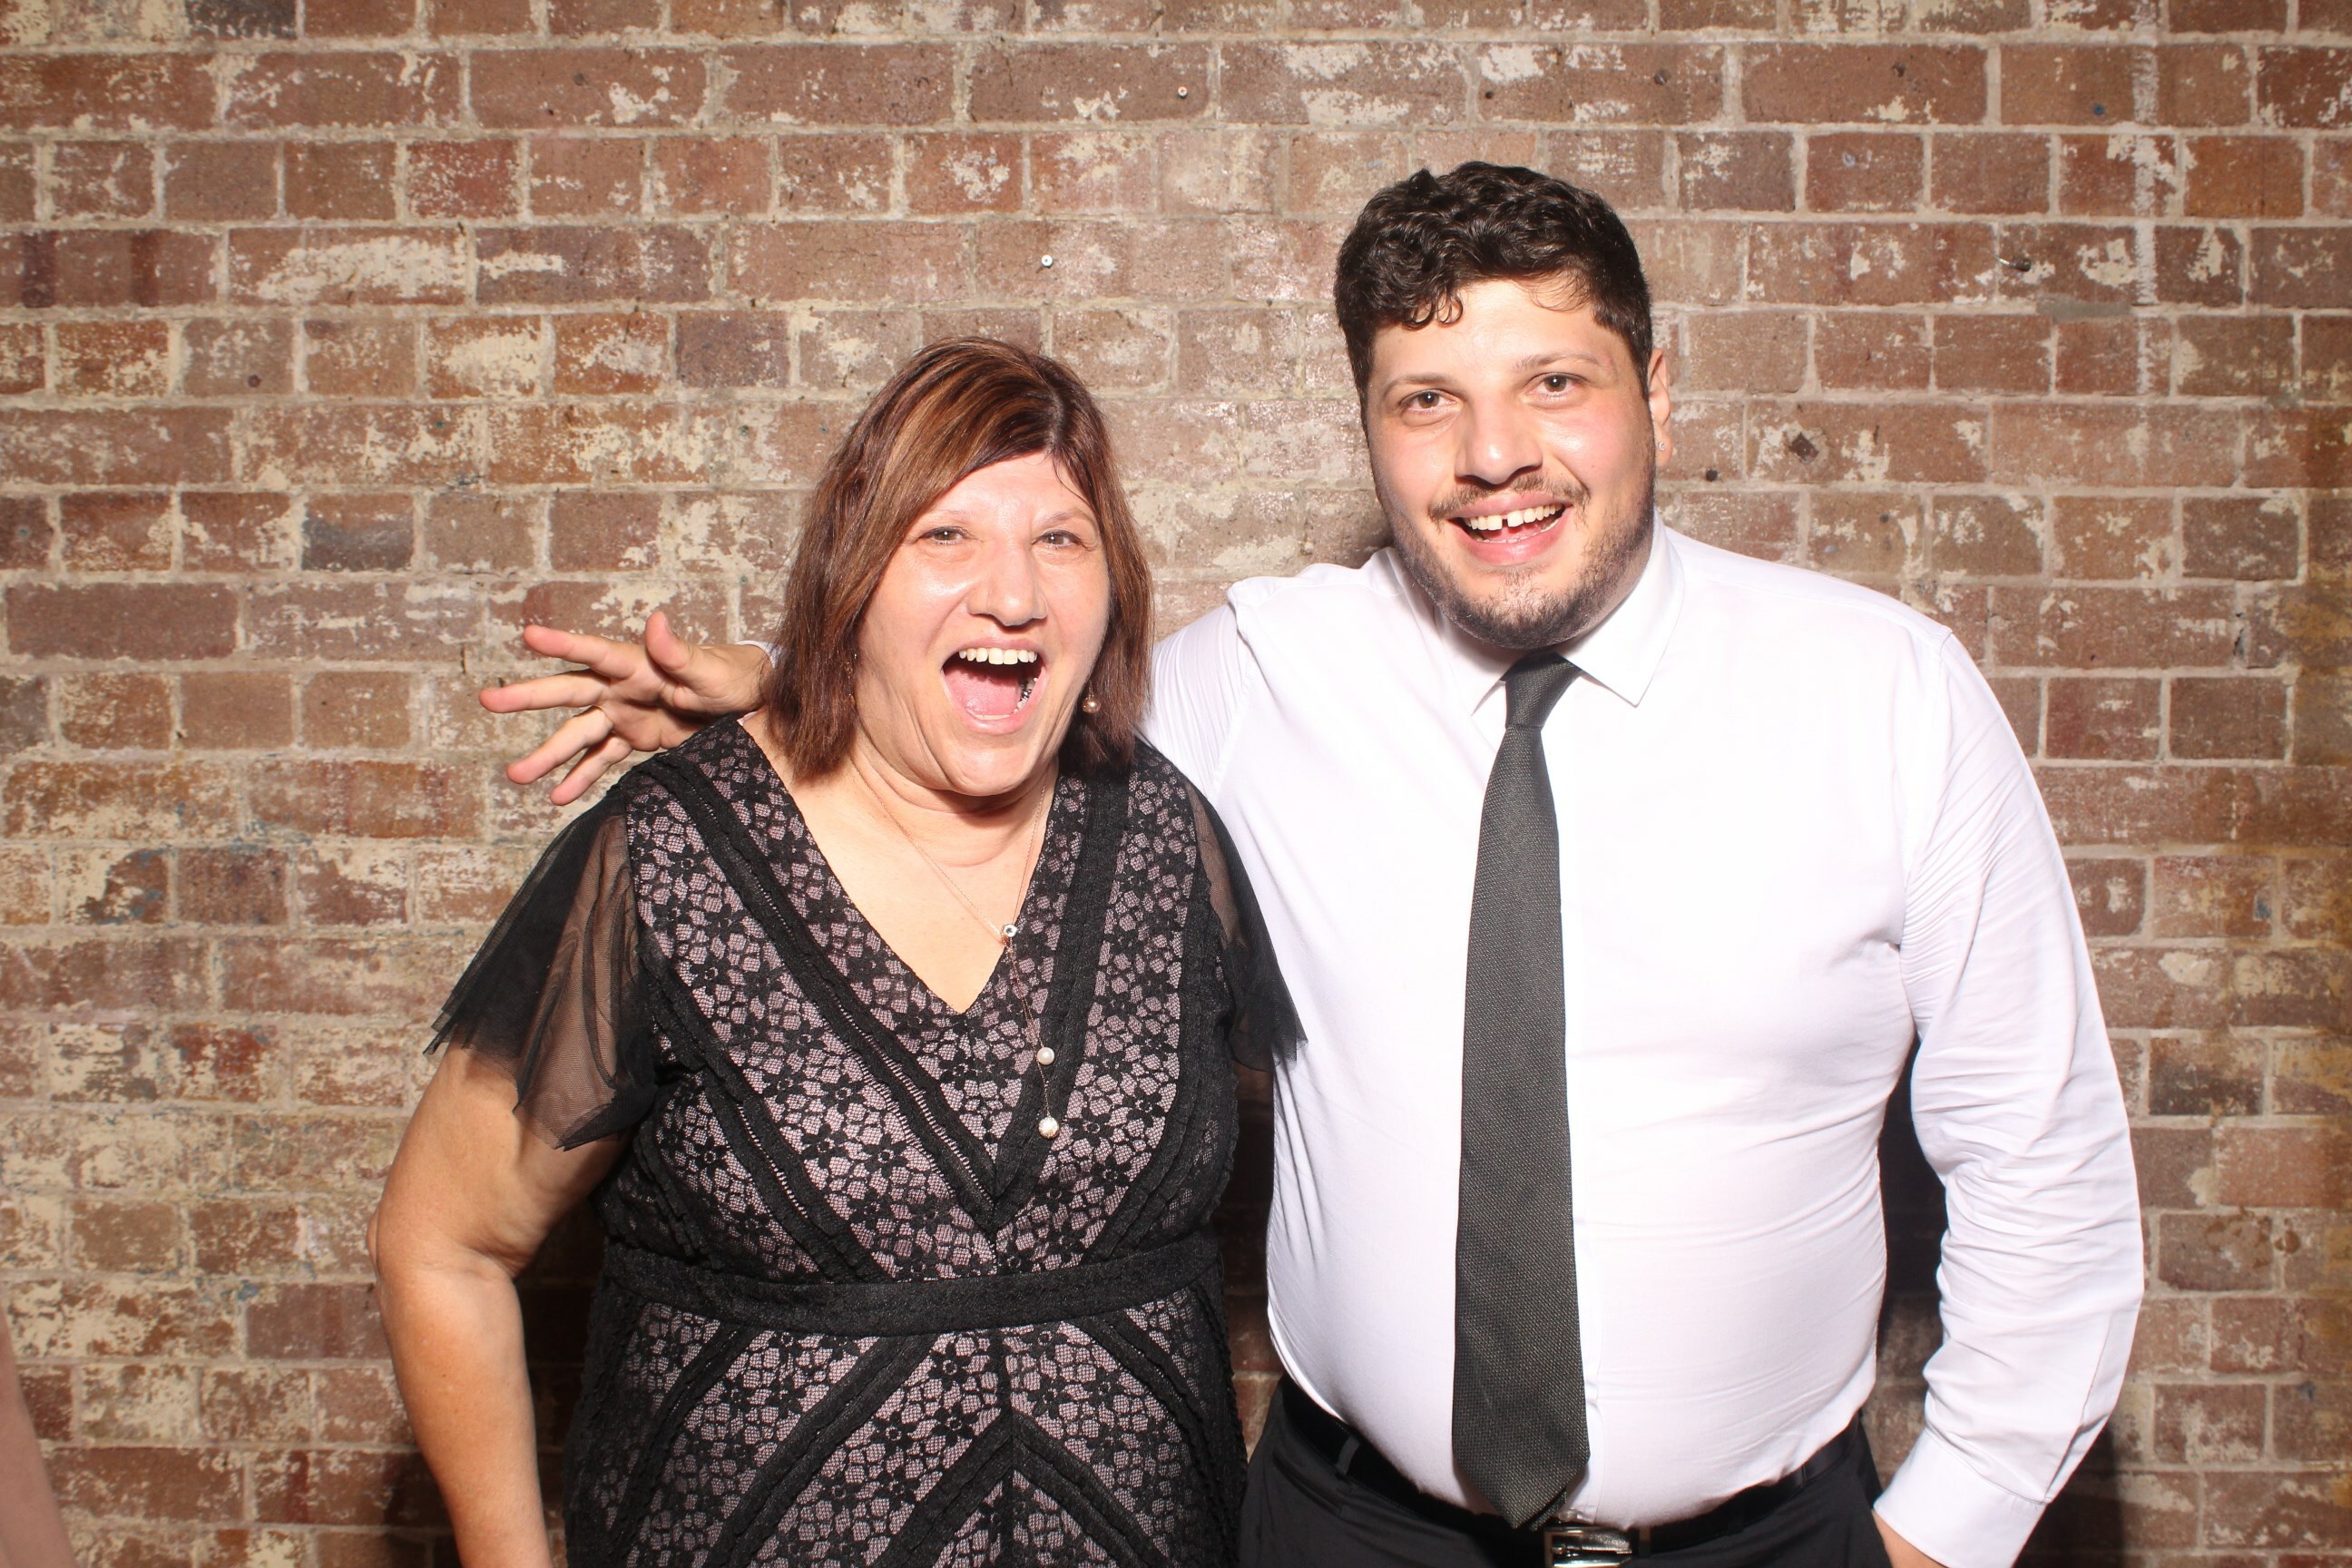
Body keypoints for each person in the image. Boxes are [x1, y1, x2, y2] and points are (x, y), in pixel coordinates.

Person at [482, 164, 2143, 1568]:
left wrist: (1943, 1537)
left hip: (1770, 1541)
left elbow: (2044, 1166)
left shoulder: (1884, 695)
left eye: (1553, 383)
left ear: (1657, 386)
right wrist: (794, 698)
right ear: (1370, 428)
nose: (1494, 454)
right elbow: (1013, 716)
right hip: (1348, 1532)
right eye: (1429, 401)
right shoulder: (1260, 680)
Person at [372, 338, 1297, 1568]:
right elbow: (444, 1246)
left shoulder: (1168, 839)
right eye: (945, 535)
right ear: (855, 578)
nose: (1013, 593)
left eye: (1060, 539)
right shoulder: (679, 857)